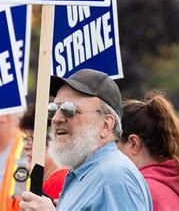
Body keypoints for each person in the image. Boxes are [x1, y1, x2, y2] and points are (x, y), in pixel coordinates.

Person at [19, 69, 152, 210]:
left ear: (106, 125)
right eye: (53, 109)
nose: (56, 119)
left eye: (69, 109)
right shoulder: (88, 172)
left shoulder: (111, 178)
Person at [117, 91, 179, 210]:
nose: (109, 154)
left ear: (133, 143)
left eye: (112, 145)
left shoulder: (139, 191)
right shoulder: (172, 188)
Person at [19, 103, 68, 200]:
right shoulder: (55, 180)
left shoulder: (57, 182)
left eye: (32, 139)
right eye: (26, 139)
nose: (25, 146)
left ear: (53, 140)